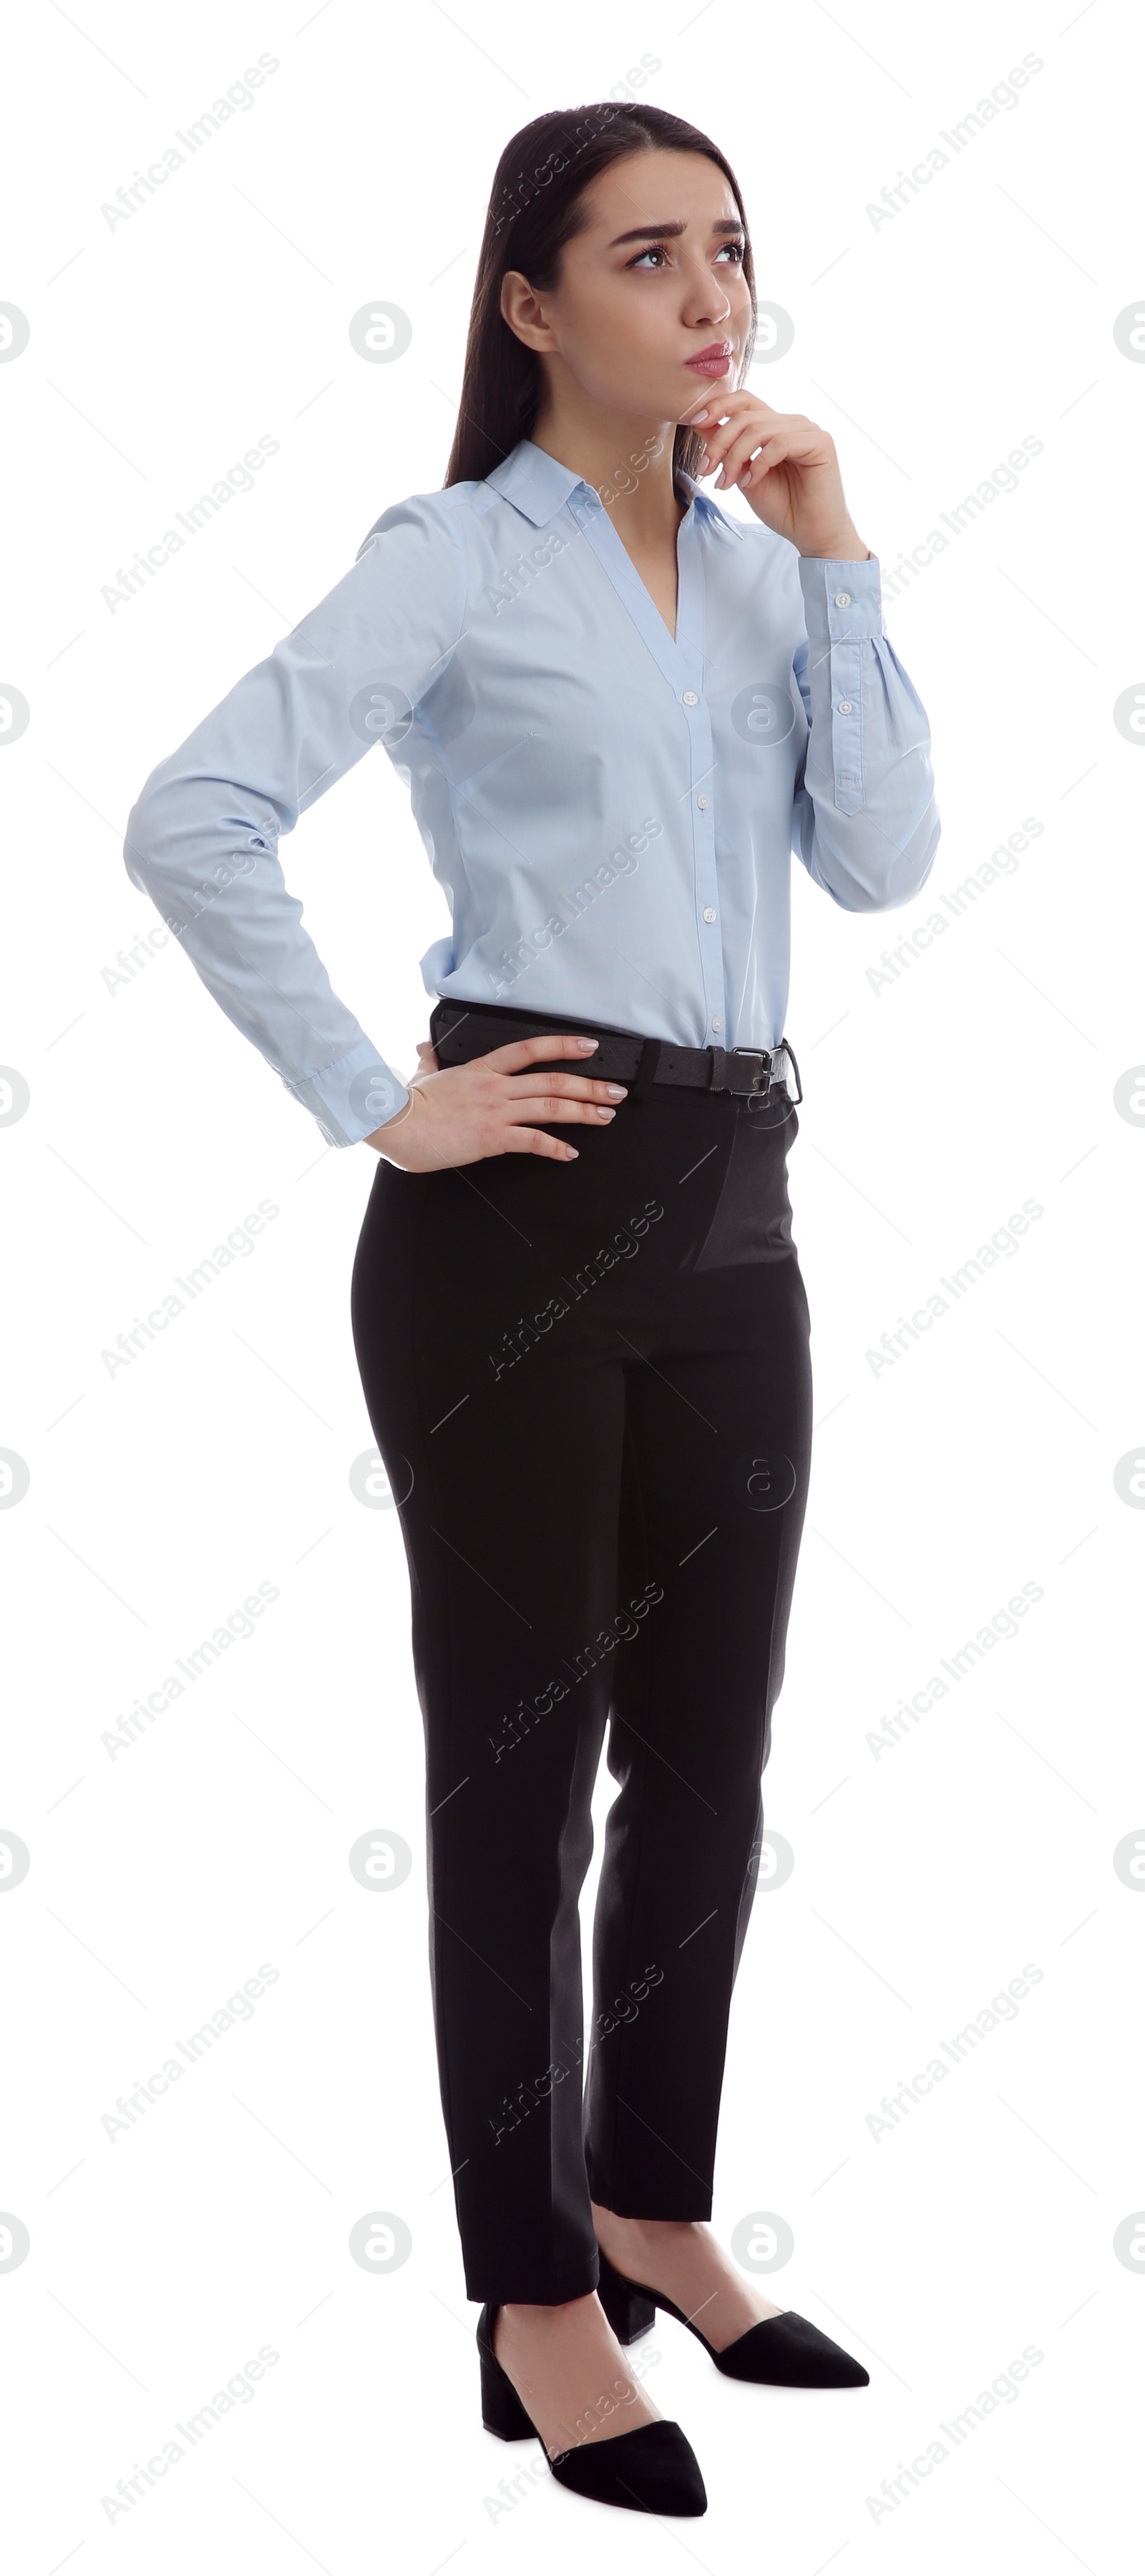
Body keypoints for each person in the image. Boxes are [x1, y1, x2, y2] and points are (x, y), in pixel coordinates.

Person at [123, 100, 940, 2517]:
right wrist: (384, 1099)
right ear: (527, 304)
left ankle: (651, 2197)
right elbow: (192, 813)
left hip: (738, 1206)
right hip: (517, 1208)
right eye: (650, 256)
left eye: (734, 251)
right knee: (522, 1777)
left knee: (708, 1757)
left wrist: (850, 556)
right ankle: (530, 2291)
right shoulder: (453, 561)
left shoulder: (776, 560)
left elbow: (880, 864)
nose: (712, 298)